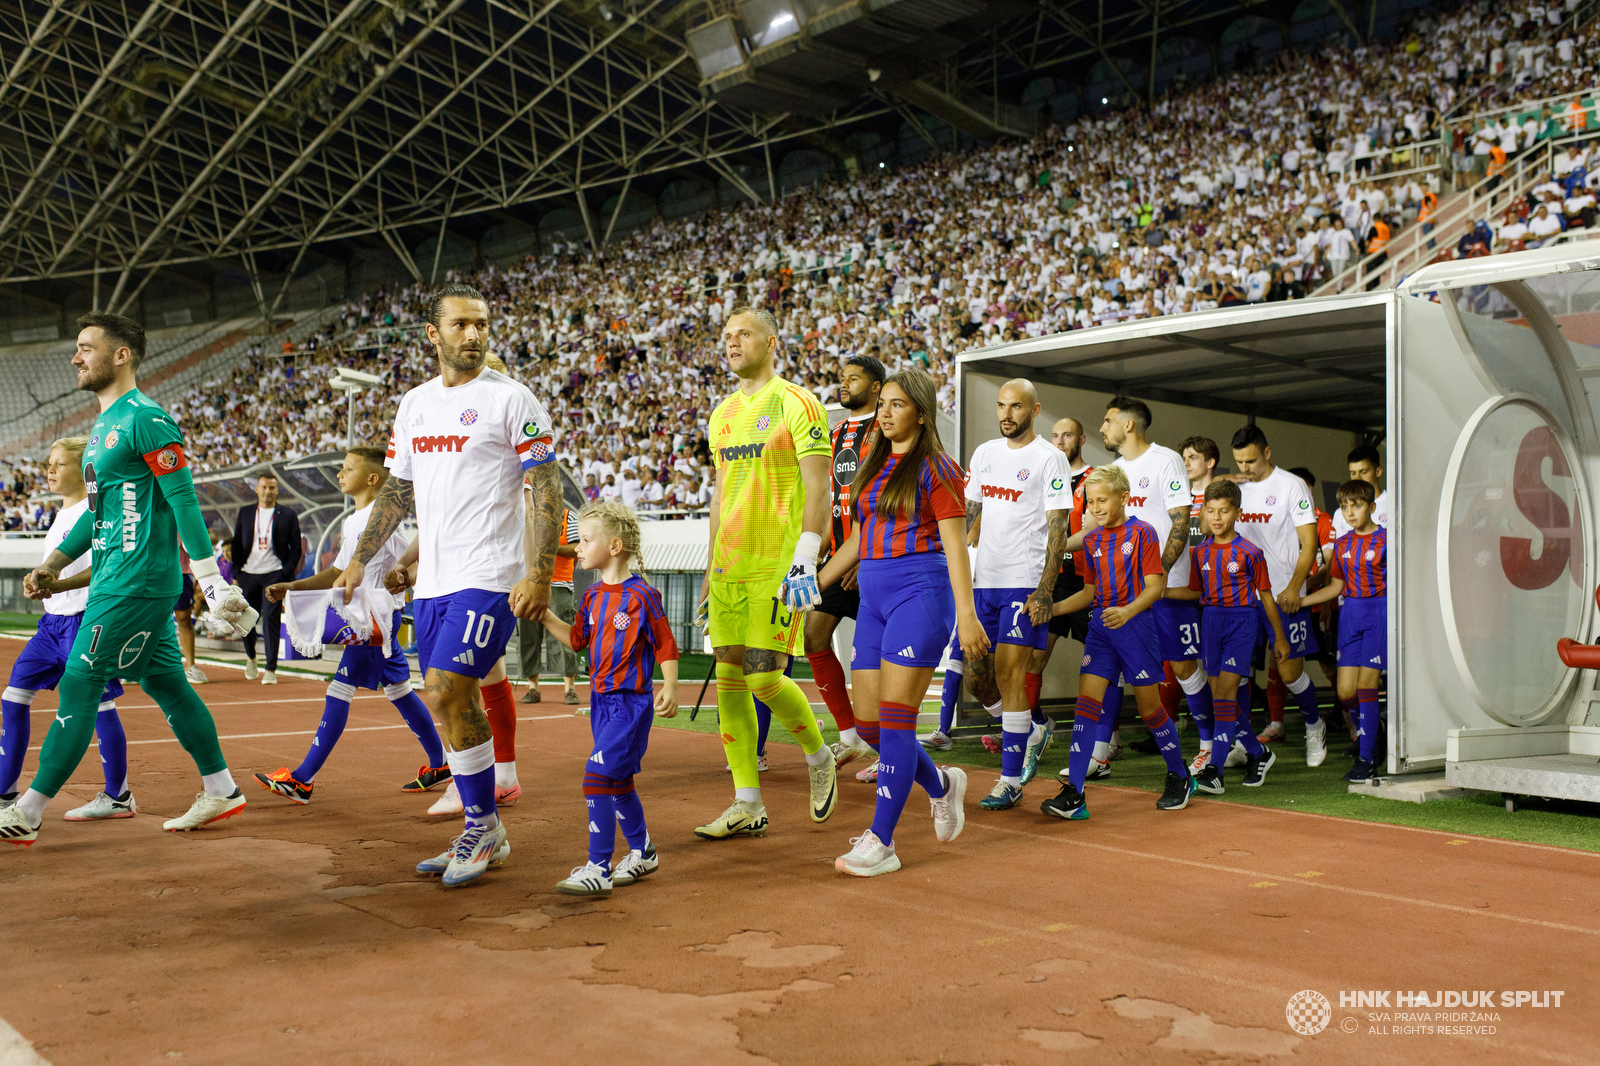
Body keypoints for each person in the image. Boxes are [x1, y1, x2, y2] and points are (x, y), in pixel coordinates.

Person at [2, 312, 257, 847]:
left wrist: (211, 580)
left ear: (120, 355)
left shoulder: (147, 418)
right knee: (167, 682)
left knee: (78, 684)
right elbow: (100, 518)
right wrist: (54, 565)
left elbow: (184, 498)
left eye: (85, 347)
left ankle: (26, 811)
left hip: (134, 581)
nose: (75, 357)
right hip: (119, 577)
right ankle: (221, 788)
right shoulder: (99, 429)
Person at [337, 284, 561, 889]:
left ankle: (484, 825)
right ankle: (485, 822)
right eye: (461, 324)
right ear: (433, 335)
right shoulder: (413, 405)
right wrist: (362, 559)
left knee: (443, 691)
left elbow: (546, 487)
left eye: (482, 324)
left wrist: (537, 571)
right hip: (432, 582)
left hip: (488, 576)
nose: (474, 334)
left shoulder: (513, 399)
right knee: (447, 701)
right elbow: (399, 490)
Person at [816, 369, 983, 876]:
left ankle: (882, 841)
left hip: (921, 594)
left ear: (922, 412)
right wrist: (816, 582)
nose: (885, 413)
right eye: (882, 404)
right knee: (869, 725)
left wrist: (969, 616)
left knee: (895, 721)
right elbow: (862, 536)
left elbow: (956, 546)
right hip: (874, 595)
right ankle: (942, 785)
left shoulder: (938, 468)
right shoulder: (873, 463)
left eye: (897, 405)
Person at [693, 307, 838, 839]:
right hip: (730, 563)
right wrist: (711, 564)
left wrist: (806, 554)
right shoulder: (722, 413)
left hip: (778, 564)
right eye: (726, 336)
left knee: (763, 676)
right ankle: (747, 802)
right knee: (730, 678)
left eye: (743, 334)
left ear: (772, 341)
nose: (732, 343)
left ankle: (819, 754)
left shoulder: (797, 401)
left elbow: (820, 488)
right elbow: (718, 496)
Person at [251, 447, 449, 802]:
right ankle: (440, 762)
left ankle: (302, 778)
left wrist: (403, 579)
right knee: (400, 691)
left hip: (373, 620)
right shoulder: (351, 521)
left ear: (373, 479)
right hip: (369, 620)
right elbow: (338, 573)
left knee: (338, 691)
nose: (340, 475)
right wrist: (292, 586)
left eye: (347, 469)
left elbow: (415, 554)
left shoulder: (384, 517)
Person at [540, 502, 679, 897]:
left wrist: (669, 687)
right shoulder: (591, 596)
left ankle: (598, 867)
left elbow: (666, 646)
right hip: (600, 702)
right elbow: (577, 640)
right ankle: (643, 851)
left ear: (615, 546)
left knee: (595, 776)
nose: (577, 548)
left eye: (585, 540)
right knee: (618, 781)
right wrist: (546, 616)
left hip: (629, 704)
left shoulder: (643, 596)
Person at [1041, 465, 1196, 819]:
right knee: (1086, 705)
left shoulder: (1143, 533)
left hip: (1136, 626)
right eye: (1090, 502)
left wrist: (1126, 612)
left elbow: (1155, 587)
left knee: (1149, 710)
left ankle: (1179, 774)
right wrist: (1053, 609)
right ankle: (1075, 792)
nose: (1095, 508)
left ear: (1124, 498)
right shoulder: (1092, 541)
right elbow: (1089, 594)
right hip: (1101, 630)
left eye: (1102, 500)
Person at [1, 436, 133, 822]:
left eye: (59, 464)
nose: (49, 470)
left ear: (83, 469)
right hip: (51, 624)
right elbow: (55, 568)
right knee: (13, 696)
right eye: (48, 464)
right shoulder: (60, 514)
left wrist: (56, 585)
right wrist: (38, 582)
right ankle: (5, 791)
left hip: (85, 621)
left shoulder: (95, 512)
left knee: (101, 706)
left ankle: (119, 795)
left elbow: (101, 569)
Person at [964, 379, 1071, 811]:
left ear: (1035, 410)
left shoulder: (1051, 458)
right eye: (1001, 406)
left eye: (1016, 407)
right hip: (982, 582)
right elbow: (970, 514)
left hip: (1023, 582)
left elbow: (1059, 528)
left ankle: (1009, 780)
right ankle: (1032, 728)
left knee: (1010, 674)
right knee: (976, 678)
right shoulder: (984, 453)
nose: (1007, 414)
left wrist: (1045, 590)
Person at [1165, 479, 1287, 794]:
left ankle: (1215, 770)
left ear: (1237, 513)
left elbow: (1266, 596)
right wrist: (1159, 591)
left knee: (1224, 699)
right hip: (1211, 623)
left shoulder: (1250, 552)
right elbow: (1194, 590)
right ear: (1203, 512)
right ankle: (1259, 753)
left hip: (1242, 624)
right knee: (1223, 701)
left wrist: (1279, 638)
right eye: (1211, 510)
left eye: (1224, 511)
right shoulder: (1200, 550)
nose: (1217, 517)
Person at [804, 354, 884, 769]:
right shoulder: (834, 435)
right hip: (836, 557)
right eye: (841, 378)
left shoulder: (886, 431)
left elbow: (886, 501)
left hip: (873, 561)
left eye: (853, 379)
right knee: (813, 637)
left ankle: (886, 748)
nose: (844, 384)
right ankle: (851, 736)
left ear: (875, 387)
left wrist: (862, 552)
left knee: (878, 660)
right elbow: (824, 497)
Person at [1230, 425, 1326, 766]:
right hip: (1243, 595)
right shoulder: (1235, 488)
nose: (1246, 469)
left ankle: (1315, 726)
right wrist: (1225, 485)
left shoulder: (1291, 485)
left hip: (1283, 592)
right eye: (1240, 462)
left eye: (1251, 461)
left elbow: (1310, 543)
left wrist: (1294, 586)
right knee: (1237, 671)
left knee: (1289, 672)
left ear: (1267, 453)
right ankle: (1241, 743)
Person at [1301, 480, 1387, 783]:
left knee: (1366, 688)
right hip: (1350, 614)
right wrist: (1302, 600)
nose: (1351, 512)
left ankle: (1367, 760)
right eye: (1345, 507)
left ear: (1372, 507)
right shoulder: (1343, 544)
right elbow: (1335, 586)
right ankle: (1376, 735)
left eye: (1358, 505)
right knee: (1345, 691)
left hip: (1378, 612)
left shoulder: (1387, 540)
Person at [229, 473, 303, 684]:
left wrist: (286, 571)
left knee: (270, 619)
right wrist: (237, 572)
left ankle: (270, 668)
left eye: (272, 488)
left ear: (277, 490)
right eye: (264, 487)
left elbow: (296, 547)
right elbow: (236, 544)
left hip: (274, 572)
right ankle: (251, 657)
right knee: (247, 619)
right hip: (248, 573)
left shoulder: (287, 514)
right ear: (257, 489)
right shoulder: (245, 512)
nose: (268, 491)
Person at [517, 503, 582, 705]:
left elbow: (577, 548)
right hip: (529, 584)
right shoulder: (525, 516)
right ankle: (533, 688)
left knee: (563, 636)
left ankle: (570, 689)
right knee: (527, 637)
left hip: (560, 584)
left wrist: (550, 549)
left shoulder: (568, 517)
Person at [1332, 444, 1388, 538]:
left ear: (1378, 471)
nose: (1357, 477)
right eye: (1353, 473)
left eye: (1363, 472)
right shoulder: (1340, 513)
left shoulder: (1393, 505)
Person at [173, 545, 207, 684]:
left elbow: (195, 546)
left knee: (184, 620)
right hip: (153, 571)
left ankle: (191, 666)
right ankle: (138, 667)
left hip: (181, 572)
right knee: (149, 620)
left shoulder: (182, 522)